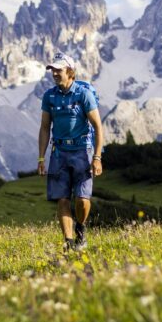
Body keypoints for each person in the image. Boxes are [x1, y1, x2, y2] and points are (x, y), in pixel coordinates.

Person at [37, 53, 104, 251]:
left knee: (82, 200)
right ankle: (68, 242)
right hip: (59, 152)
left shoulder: (83, 94)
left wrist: (97, 157)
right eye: (53, 70)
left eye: (59, 70)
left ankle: (81, 230)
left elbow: (98, 126)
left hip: (82, 150)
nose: (55, 73)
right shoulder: (49, 96)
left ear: (70, 72)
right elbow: (44, 127)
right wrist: (42, 157)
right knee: (63, 198)